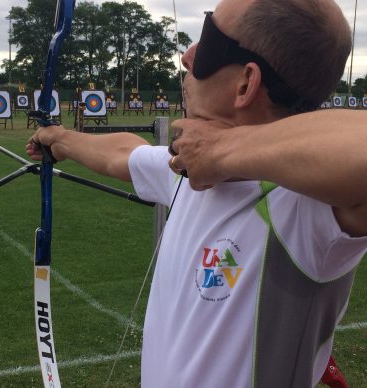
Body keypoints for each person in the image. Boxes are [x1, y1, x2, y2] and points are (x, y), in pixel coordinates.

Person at [26, 0, 367, 386]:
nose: (187, 57)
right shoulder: (184, 170)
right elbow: (123, 153)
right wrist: (60, 139)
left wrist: (221, 151)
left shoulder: (306, 210)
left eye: (206, 43)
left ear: (245, 83)